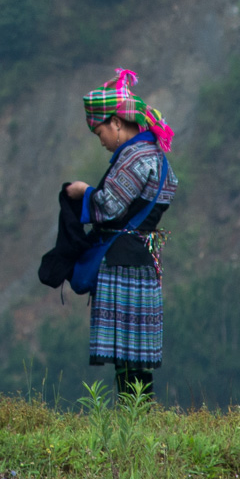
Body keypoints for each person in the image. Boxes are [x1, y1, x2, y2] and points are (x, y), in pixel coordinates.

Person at [63, 69, 177, 398]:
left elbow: (107, 207)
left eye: (100, 131)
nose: (100, 140)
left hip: (121, 261)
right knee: (138, 352)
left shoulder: (133, 157)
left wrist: (84, 192)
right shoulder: (158, 157)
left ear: (116, 122)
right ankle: (138, 419)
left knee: (125, 354)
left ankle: (133, 420)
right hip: (145, 259)